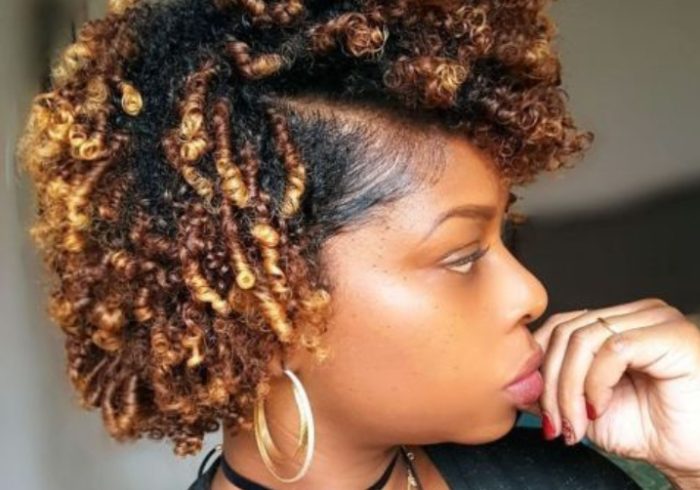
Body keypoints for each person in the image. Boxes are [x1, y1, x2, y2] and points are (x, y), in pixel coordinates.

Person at [16, 0, 700, 488]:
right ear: (269, 306)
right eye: (463, 256)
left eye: (505, 237)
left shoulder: (566, 474)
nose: (531, 292)